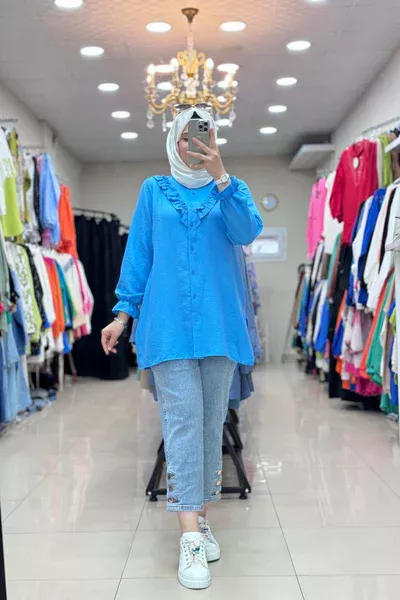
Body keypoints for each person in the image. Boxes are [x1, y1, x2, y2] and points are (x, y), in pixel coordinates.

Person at [101, 106, 263, 590]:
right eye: (188, 137)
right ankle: (189, 536)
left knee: (211, 425)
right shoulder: (154, 191)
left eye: (204, 135)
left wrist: (222, 177)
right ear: (174, 140)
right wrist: (122, 315)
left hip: (220, 327)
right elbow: (139, 256)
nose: (195, 144)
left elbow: (248, 231)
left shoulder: (231, 190)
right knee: (184, 424)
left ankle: (200, 517)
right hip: (168, 327)